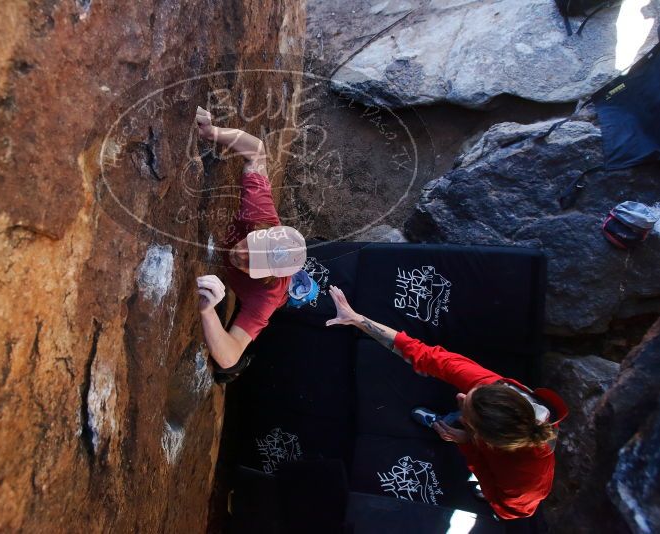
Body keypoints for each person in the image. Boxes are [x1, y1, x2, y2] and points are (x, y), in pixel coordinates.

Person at [326, 285, 568, 520]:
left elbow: (508, 510)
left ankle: (454, 429)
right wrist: (357, 319)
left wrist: (466, 444)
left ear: (485, 438)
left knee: (484, 478)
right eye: (470, 395)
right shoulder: (490, 386)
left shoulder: (524, 483)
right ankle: (452, 423)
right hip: (487, 437)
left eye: (466, 410)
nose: (459, 396)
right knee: (458, 413)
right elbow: (421, 354)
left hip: (496, 474)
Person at [193, 106, 306, 379]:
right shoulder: (261, 215)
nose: (240, 255)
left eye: (251, 263)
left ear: (264, 276)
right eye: (249, 246)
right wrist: (212, 132)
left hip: (267, 297)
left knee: (224, 369)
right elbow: (256, 150)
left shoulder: (266, 297)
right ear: (263, 231)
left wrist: (208, 312)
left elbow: (230, 354)